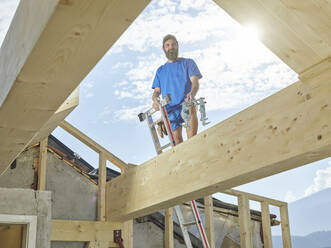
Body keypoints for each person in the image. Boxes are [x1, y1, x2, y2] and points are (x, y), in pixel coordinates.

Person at [152, 34, 202, 144]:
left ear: (177, 46)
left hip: (185, 103)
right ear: (164, 49)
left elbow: (194, 82)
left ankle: (193, 146)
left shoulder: (188, 63)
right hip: (170, 109)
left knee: (191, 140)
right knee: (177, 141)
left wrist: (192, 93)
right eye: (167, 45)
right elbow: (156, 92)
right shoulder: (161, 71)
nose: (171, 47)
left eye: (173, 44)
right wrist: (155, 100)